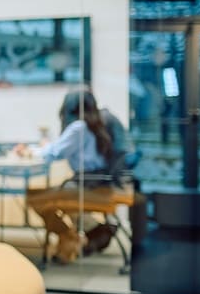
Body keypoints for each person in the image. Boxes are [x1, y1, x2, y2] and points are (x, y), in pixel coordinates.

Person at [19, 88, 129, 263]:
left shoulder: (79, 127)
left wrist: (31, 150)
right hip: (101, 183)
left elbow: (53, 153)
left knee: (35, 198)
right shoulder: (97, 123)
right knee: (55, 197)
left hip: (86, 184)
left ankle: (69, 236)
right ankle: (92, 231)